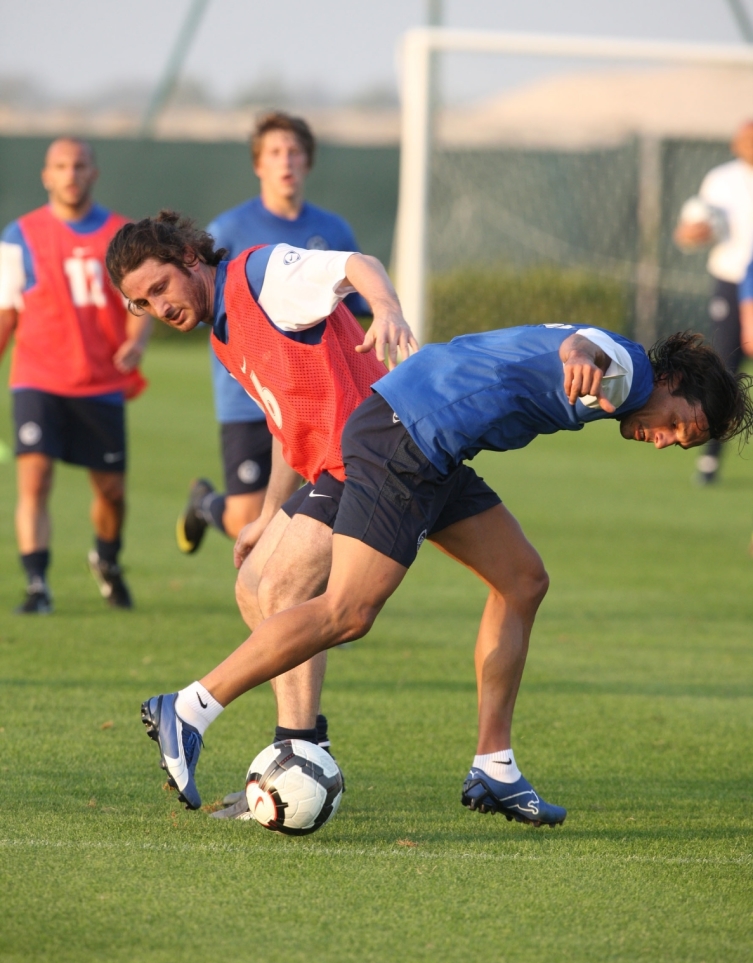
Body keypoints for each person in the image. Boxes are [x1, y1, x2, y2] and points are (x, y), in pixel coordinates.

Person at [117, 232, 752, 825]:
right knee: (345, 611)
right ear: (673, 382)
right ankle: (190, 708)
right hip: (408, 435)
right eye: (681, 425)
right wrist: (582, 353)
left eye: (682, 442)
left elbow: (579, 344)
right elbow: (587, 349)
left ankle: (493, 768)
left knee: (523, 580)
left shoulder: (630, 370)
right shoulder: (632, 373)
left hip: (435, 442)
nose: (668, 440)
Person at [105, 210, 415, 806]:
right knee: (253, 585)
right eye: (143, 303)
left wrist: (389, 310)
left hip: (376, 456)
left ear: (190, 259)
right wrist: (269, 514)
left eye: (160, 287)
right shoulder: (223, 332)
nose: (159, 308)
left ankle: (286, 749)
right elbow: (285, 423)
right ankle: (308, 753)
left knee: (283, 590)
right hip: (336, 462)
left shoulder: (261, 274)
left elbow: (359, 265)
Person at [178, 111, 371, 554]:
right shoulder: (228, 229)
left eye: (294, 152)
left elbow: (355, 310)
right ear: (258, 165)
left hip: (316, 394)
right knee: (248, 518)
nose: (285, 161)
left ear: (308, 162)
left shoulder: (333, 229)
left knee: (315, 516)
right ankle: (208, 504)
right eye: (275, 153)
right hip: (249, 395)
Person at [0, 137, 151, 614]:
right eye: (60, 166)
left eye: (79, 165)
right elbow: (6, 311)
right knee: (35, 478)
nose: (70, 174)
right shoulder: (19, 235)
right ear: (46, 175)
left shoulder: (121, 233)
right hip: (37, 376)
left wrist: (137, 339)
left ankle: (106, 560)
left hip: (100, 381)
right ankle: (37, 585)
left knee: (111, 492)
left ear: (94, 174)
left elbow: (141, 299)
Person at [674, 120, 753, 485]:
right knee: (725, 364)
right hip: (730, 279)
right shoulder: (720, 179)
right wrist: (693, 233)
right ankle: (709, 457)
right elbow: (690, 230)